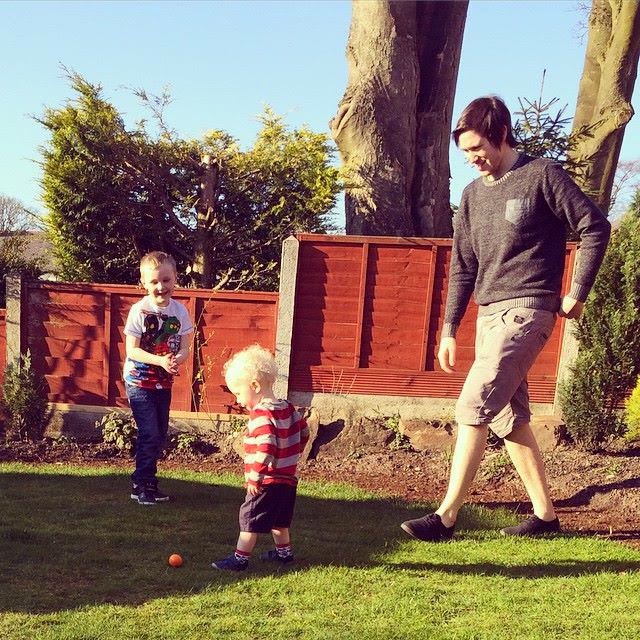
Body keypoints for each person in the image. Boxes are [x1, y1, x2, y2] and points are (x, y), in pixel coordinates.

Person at [401, 96, 611, 541]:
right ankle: (546, 517)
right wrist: (448, 329)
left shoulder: (542, 175)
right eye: (465, 152)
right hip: (489, 315)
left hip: (527, 311)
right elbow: (463, 266)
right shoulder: (472, 195)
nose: (472, 159)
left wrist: (577, 291)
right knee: (508, 418)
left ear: (500, 135)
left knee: (472, 406)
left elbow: (595, 226)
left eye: (477, 148)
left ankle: (446, 517)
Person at [212, 345, 309, 571]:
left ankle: (240, 559)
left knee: (249, 519)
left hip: (266, 481)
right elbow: (304, 431)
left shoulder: (260, 414)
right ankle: (284, 554)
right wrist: (294, 452)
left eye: (238, 393)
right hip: (288, 479)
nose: (238, 400)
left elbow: (267, 446)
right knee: (280, 521)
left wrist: (256, 476)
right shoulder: (288, 408)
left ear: (254, 386)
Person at [123, 251, 193, 506]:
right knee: (150, 432)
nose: (160, 286)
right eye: (154, 281)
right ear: (143, 282)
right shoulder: (139, 310)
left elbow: (185, 347)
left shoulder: (180, 311)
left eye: (165, 280)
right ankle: (141, 484)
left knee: (159, 433)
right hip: (139, 380)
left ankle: (148, 483)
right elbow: (132, 350)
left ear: (175, 279)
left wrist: (176, 360)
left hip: (163, 382)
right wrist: (161, 360)